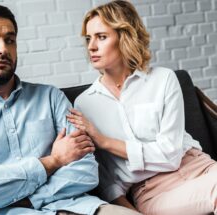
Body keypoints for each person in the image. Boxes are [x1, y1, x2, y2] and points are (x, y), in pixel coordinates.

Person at [0, 3, 141, 215]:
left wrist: (14, 192)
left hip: (79, 206)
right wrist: (54, 161)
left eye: (10, 40)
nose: (3, 48)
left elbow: (86, 171)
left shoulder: (50, 97)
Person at [67, 1, 217, 215]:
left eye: (101, 37)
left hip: (198, 166)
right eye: (88, 38)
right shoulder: (84, 104)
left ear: (124, 36)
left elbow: (172, 154)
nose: (91, 46)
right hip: (153, 191)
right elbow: (108, 179)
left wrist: (106, 141)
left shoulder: (164, 79)